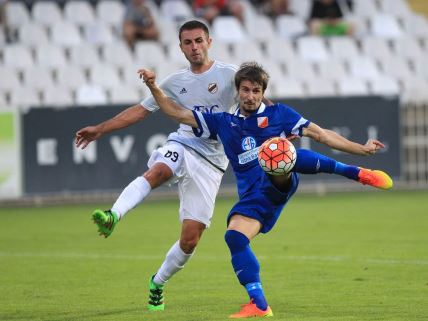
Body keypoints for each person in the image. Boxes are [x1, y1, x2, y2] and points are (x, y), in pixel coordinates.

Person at [139, 62, 393, 318]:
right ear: (237, 91)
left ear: (263, 93)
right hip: (253, 197)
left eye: (256, 91)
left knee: (276, 153)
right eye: (246, 90)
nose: (250, 96)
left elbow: (322, 135)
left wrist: (361, 148)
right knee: (234, 237)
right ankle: (259, 303)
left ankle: (358, 174)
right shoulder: (223, 122)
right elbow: (178, 113)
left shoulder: (279, 114)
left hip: (278, 181)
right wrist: (153, 87)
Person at [75, 20, 238, 311]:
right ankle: (114, 215)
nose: (194, 47)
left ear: (209, 42)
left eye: (199, 41)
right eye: (188, 43)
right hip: (184, 144)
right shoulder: (174, 83)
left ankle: (158, 282)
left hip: (212, 164)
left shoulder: (230, 75)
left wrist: (280, 126)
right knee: (159, 170)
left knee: (189, 241)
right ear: (180, 47)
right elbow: (139, 111)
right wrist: (100, 129)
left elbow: (260, 100)